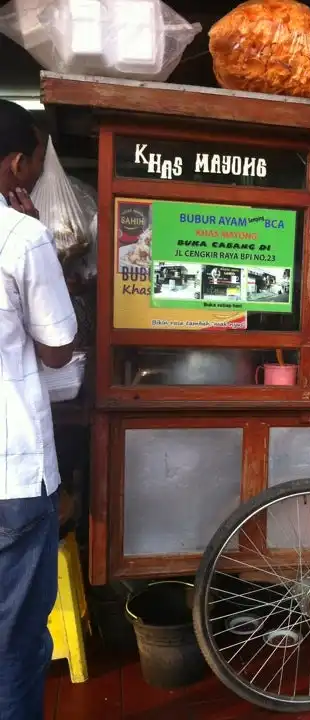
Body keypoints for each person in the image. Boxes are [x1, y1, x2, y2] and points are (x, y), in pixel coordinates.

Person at [0, 100, 77, 719]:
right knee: (15, 641)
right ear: (14, 164)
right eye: (29, 169)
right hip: (11, 475)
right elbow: (57, 351)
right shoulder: (22, 237)